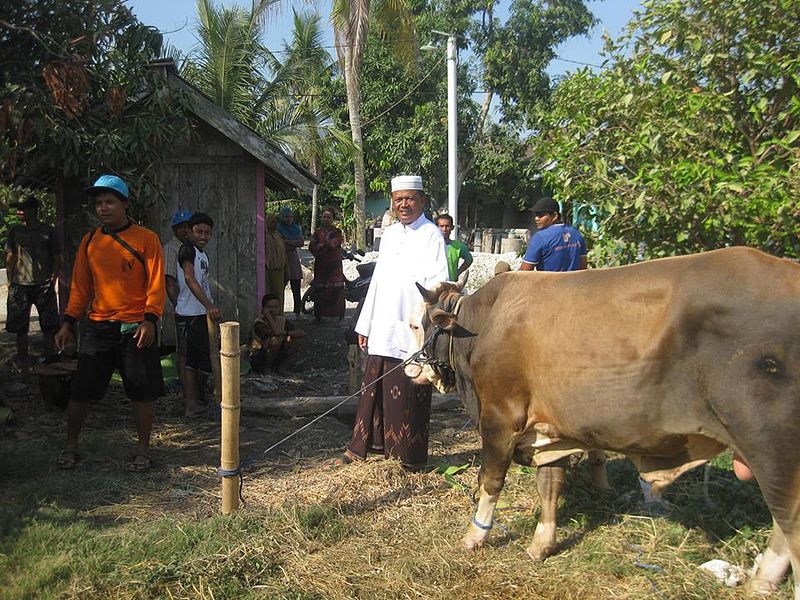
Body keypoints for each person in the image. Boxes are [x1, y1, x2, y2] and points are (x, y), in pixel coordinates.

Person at [336, 175, 449, 470]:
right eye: (398, 199)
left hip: (412, 326)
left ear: (422, 200)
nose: (404, 205)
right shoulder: (390, 235)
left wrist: (425, 328)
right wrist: (365, 323)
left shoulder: (432, 235)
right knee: (374, 385)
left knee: (409, 388)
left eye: (409, 198)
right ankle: (366, 446)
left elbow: (438, 287)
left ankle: (406, 456)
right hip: (384, 322)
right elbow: (377, 283)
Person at [54, 175, 165, 471]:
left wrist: (150, 320)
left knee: (142, 391)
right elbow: (80, 288)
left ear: (124, 204)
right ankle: (71, 446)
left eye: (110, 202)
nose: (103, 208)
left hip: (136, 328)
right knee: (81, 391)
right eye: (99, 203)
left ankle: (143, 450)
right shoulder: (90, 242)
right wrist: (67, 322)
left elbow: (156, 284)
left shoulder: (147, 239)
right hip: (98, 327)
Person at [5, 196, 62, 368]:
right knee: (20, 328)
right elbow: (10, 257)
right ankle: (22, 360)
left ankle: (50, 361)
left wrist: (53, 280)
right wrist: (10, 281)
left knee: (49, 326)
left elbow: (56, 257)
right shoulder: (15, 231)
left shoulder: (48, 231)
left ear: (33, 210)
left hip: (43, 284)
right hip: (20, 285)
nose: (19, 212)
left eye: (22, 208)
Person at [175, 212, 220, 418]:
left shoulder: (203, 254)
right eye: (199, 231)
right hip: (188, 314)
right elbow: (190, 278)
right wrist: (208, 305)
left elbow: (203, 283)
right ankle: (191, 403)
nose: (203, 236)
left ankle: (197, 401)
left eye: (207, 233)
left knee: (198, 361)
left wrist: (209, 307)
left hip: (201, 313)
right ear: (190, 231)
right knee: (195, 362)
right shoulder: (187, 250)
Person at [162, 208, 192, 394]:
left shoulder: (192, 248)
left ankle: (192, 387)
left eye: (187, 226)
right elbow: (169, 282)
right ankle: (185, 389)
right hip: (182, 308)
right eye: (180, 227)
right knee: (183, 351)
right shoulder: (170, 249)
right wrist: (179, 307)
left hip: (193, 308)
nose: (184, 230)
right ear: (174, 230)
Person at [519, 197, 587, 272]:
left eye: (541, 215)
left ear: (555, 216)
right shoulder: (576, 234)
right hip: (574, 282)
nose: (536, 218)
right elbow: (583, 268)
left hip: (548, 283)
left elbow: (524, 272)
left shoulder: (540, 237)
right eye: (536, 214)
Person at [249, 293, 305, 375]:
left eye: (276, 307)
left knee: (297, 340)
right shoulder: (259, 323)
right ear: (264, 309)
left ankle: (281, 368)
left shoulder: (281, 320)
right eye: (270, 307)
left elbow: (301, 332)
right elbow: (276, 332)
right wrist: (268, 315)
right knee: (276, 340)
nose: (274, 310)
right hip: (259, 357)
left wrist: (286, 333)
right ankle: (266, 369)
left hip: (276, 355)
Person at [308, 207, 345, 321]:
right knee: (320, 290)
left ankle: (339, 315)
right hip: (321, 267)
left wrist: (321, 246)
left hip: (335, 267)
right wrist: (323, 246)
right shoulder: (317, 233)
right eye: (324, 217)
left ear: (333, 219)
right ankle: (319, 315)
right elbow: (311, 247)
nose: (326, 219)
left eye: (329, 217)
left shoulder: (337, 232)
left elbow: (333, 244)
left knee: (337, 290)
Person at [277, 205, 304, 319]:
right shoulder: (278, 228)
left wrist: (288, 242)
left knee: (296, 286)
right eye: (287, 217)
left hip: (293, 259)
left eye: (291, 217)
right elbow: (281, 243)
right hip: (281, 258)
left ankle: (297, 311)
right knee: (279, 286)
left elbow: (301, 242)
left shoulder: (296, 228)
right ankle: (279, 312)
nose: (289, 219)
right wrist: (292, 242)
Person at [436, 213, 473, 284]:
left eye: (447, 226)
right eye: (441, 226)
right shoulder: (432, 245)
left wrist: (458, 272)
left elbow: (469, 259)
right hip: (434, 284)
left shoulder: (458, 246)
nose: (444, 229)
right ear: (437, 227)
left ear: (452, 227)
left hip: (451, 284)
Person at [264, 214, 287, 312]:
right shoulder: (264, 236)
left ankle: (279, 315)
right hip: (269, 268)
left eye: (275, 222)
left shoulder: (278, 235)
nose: (274, 224)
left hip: (280, 268)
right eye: (272, 222)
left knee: (279, 294)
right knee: (268, 293)